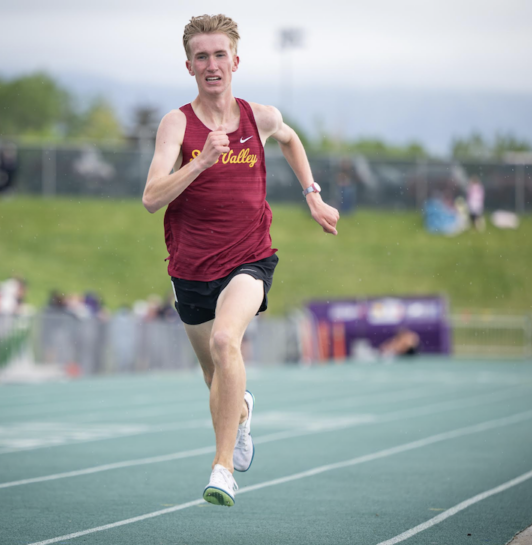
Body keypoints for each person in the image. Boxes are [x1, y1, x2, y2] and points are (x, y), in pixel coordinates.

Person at [142, 14, 339, 508]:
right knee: (216, 378)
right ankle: (243, 413)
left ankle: (223, 468)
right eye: (202, 57)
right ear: (189, 66)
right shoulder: (176, 124)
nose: (212, 65)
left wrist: (313, 195)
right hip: (190, 268)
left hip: (250, 258)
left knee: (226, 340)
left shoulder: (260, 118)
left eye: (219, 55)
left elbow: (290, 139)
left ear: (235, 61)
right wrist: (201, 162)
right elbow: (151, 197)